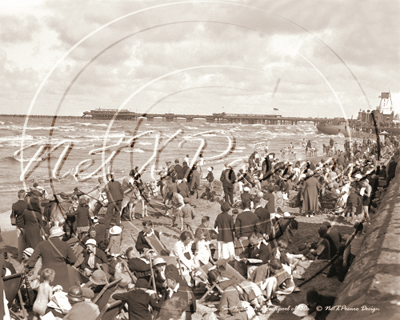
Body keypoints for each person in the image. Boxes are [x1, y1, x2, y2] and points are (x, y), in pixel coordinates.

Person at [27, 226, 77, 291]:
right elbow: (73, 260)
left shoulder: (41, 245)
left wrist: (28, 269)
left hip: (47, 275)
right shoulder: (65, 245)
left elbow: (32, 260)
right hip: (62, 274)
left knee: (47, 294)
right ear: (60, 235)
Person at [12, 189, 29, 261]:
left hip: (18, 224)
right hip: (26, 224)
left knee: (20, 241)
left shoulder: (15, 205)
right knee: (27, 241)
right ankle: (27, 255)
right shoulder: (27, 204)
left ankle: (20, 256)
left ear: (18, 196)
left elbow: (13, 215)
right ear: (24, 196)